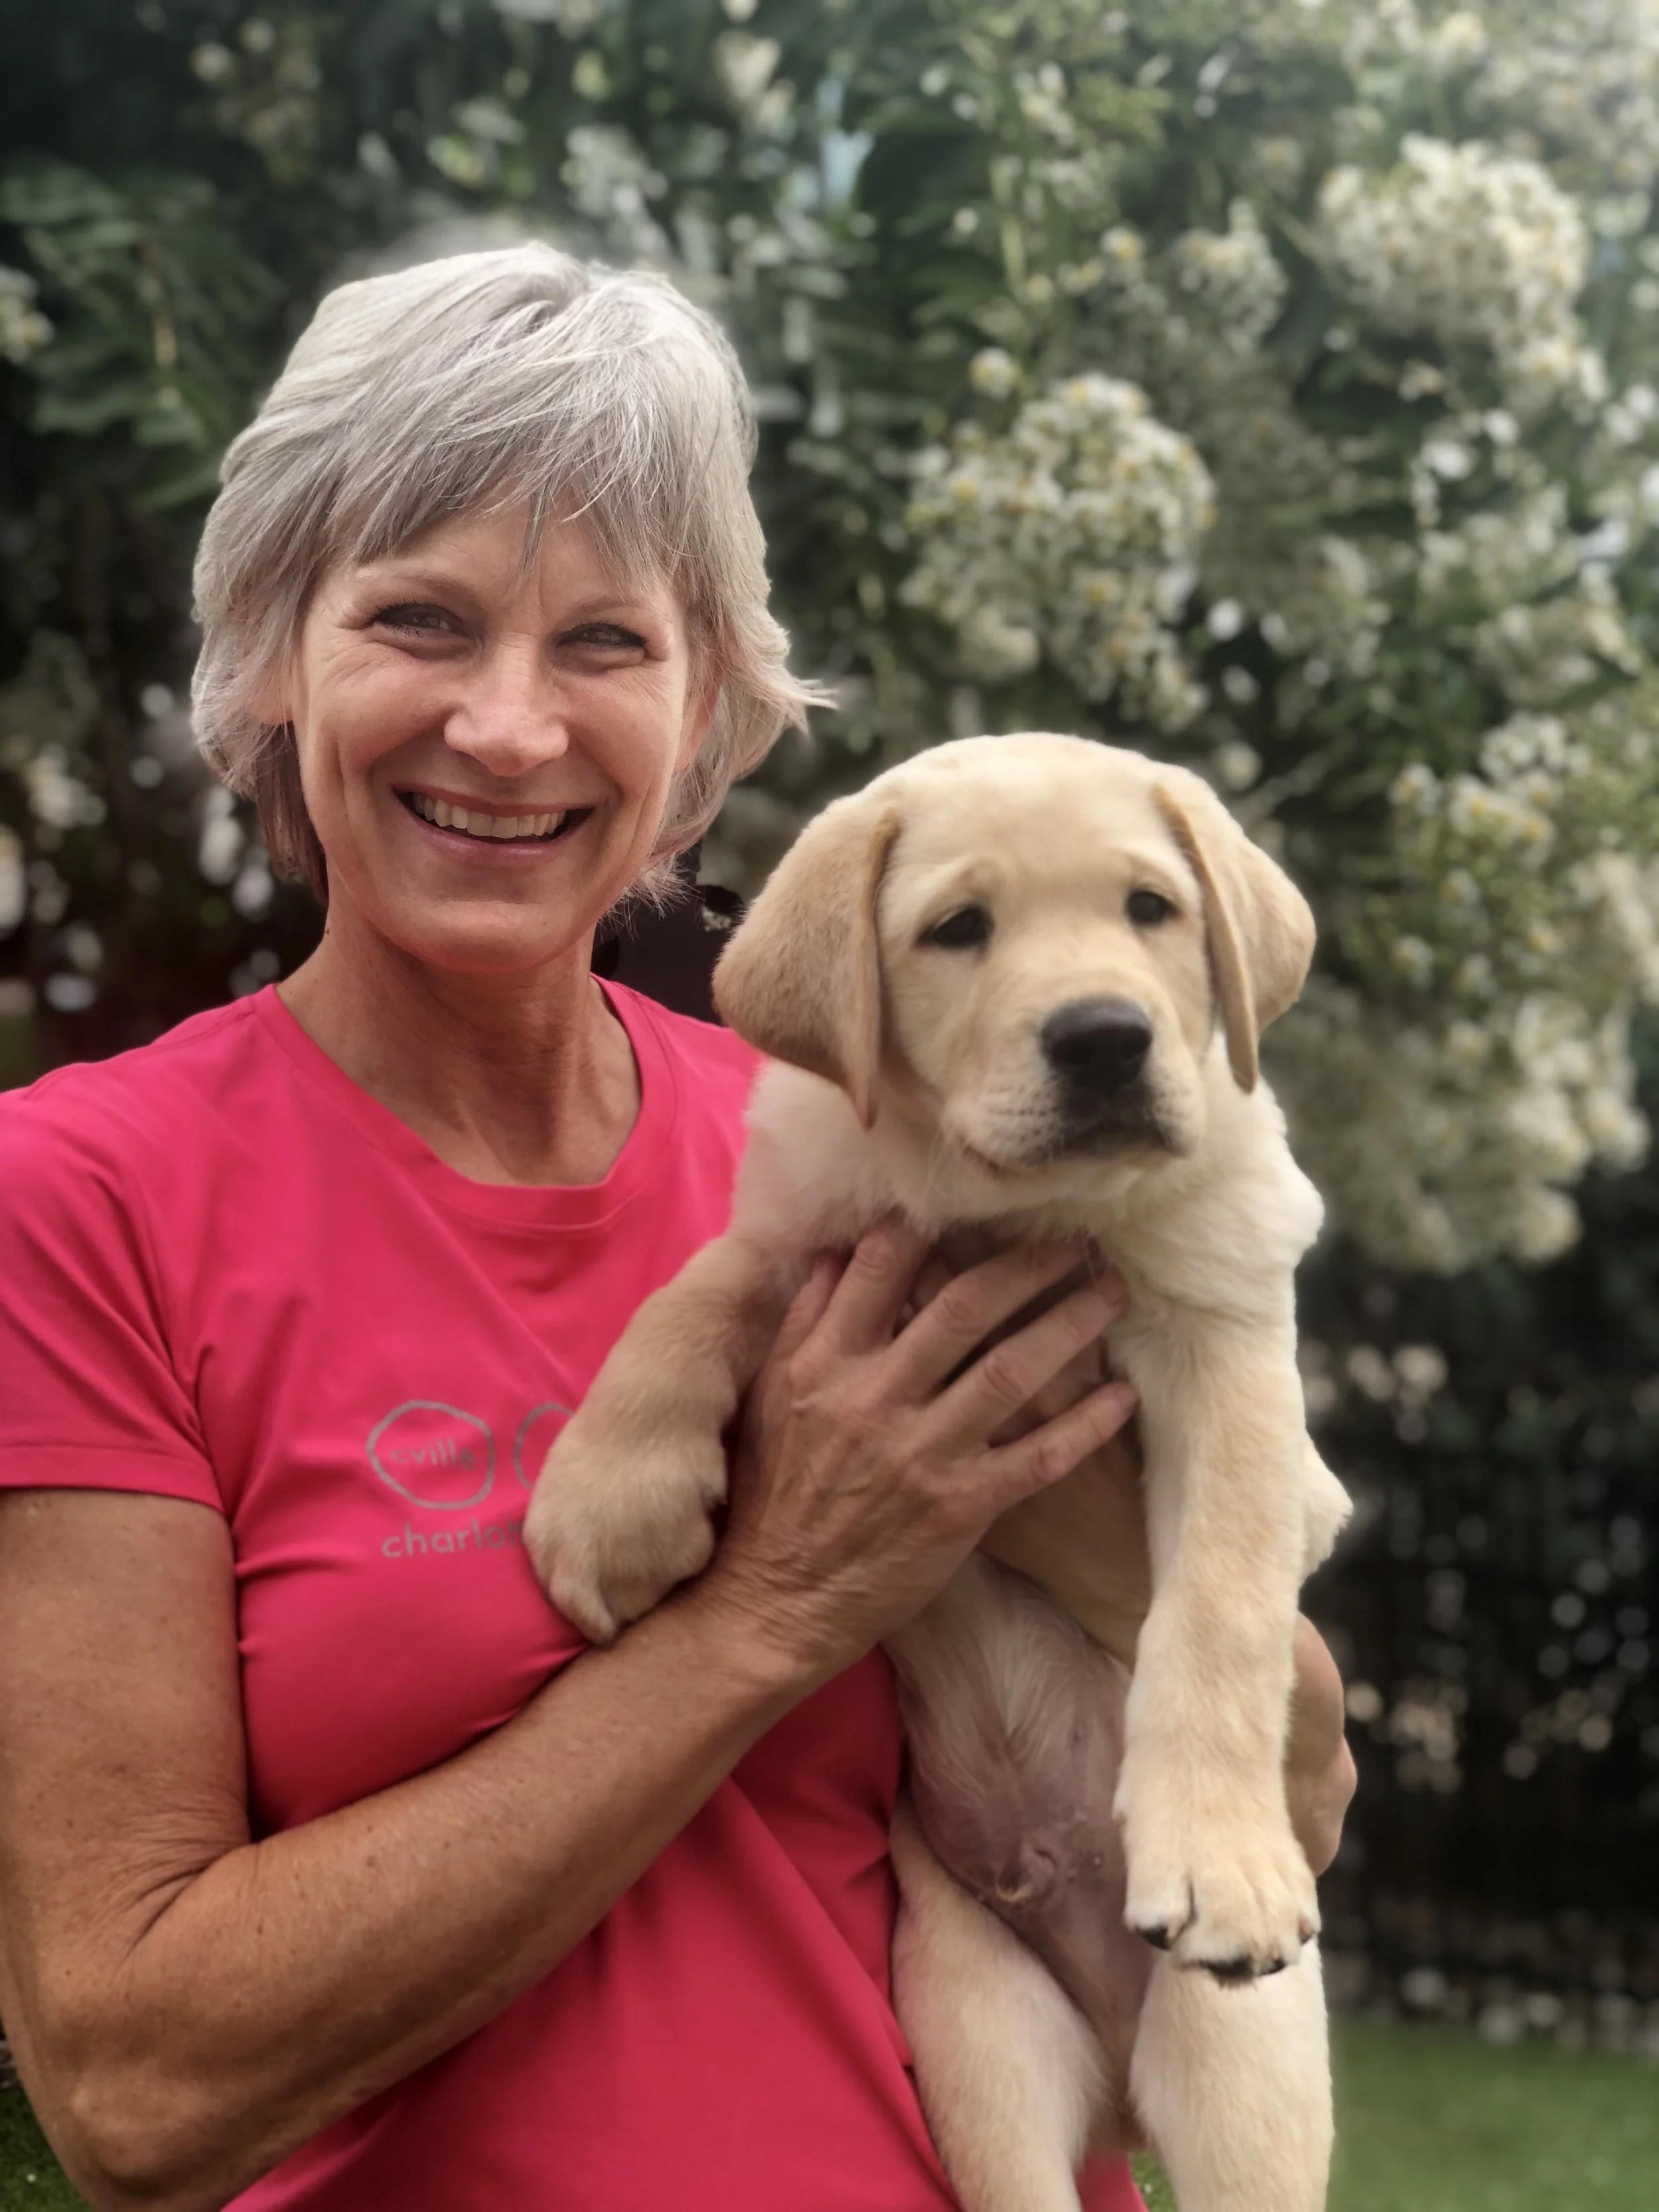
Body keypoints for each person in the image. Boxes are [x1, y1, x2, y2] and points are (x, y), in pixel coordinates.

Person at [0, 244, 1354, 2212]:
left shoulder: (872, 1150)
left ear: (708, 698)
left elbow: (1292, 1797)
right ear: (273, 659)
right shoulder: (85, 1197)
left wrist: (1226, 1686)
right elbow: (133, 2092)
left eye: (605, 645)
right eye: (418, 620)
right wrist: (771, 1610)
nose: (509, 726)